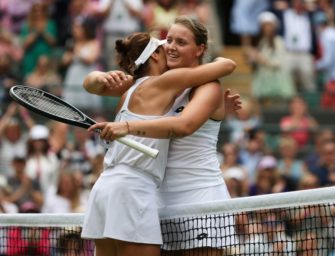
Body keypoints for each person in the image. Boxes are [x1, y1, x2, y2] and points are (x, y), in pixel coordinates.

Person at [86, 16, 240, 255]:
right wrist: (99, 76)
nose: (171, 46)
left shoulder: (209, 86)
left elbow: (185, 124)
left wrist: (127, 126)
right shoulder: (155, 83)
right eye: (168, 40)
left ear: (199, 49)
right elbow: (93, 86)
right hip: (157, 200)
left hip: (199, 196)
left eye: (181, 42)